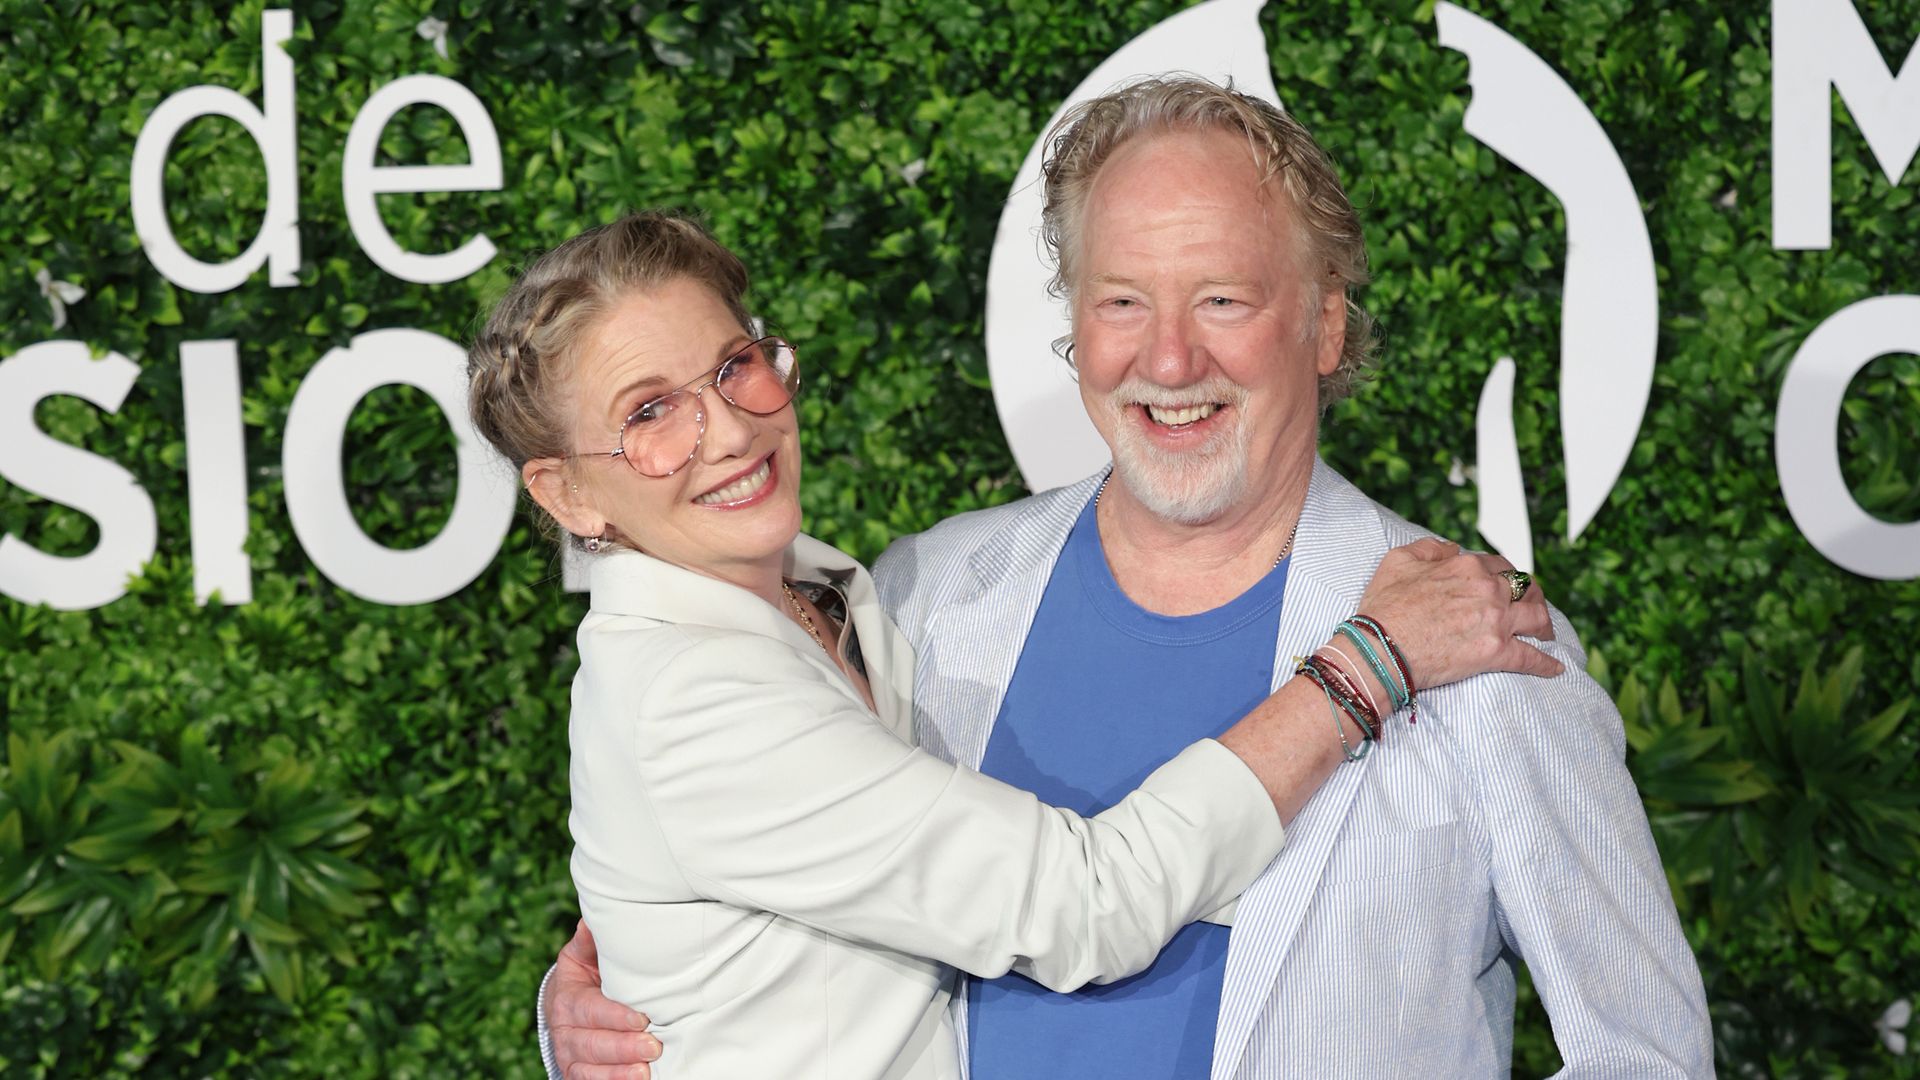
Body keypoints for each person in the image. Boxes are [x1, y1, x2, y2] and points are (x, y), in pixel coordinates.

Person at [543, 77, 1714, 1079]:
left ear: (1323, 323)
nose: (1168, 358)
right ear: (1074, 327)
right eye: (1121, 303)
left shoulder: (1477, 644)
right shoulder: (929, 598)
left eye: (1223, 299)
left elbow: (1645, 1055)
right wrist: (614, 1018)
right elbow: (806, 929)